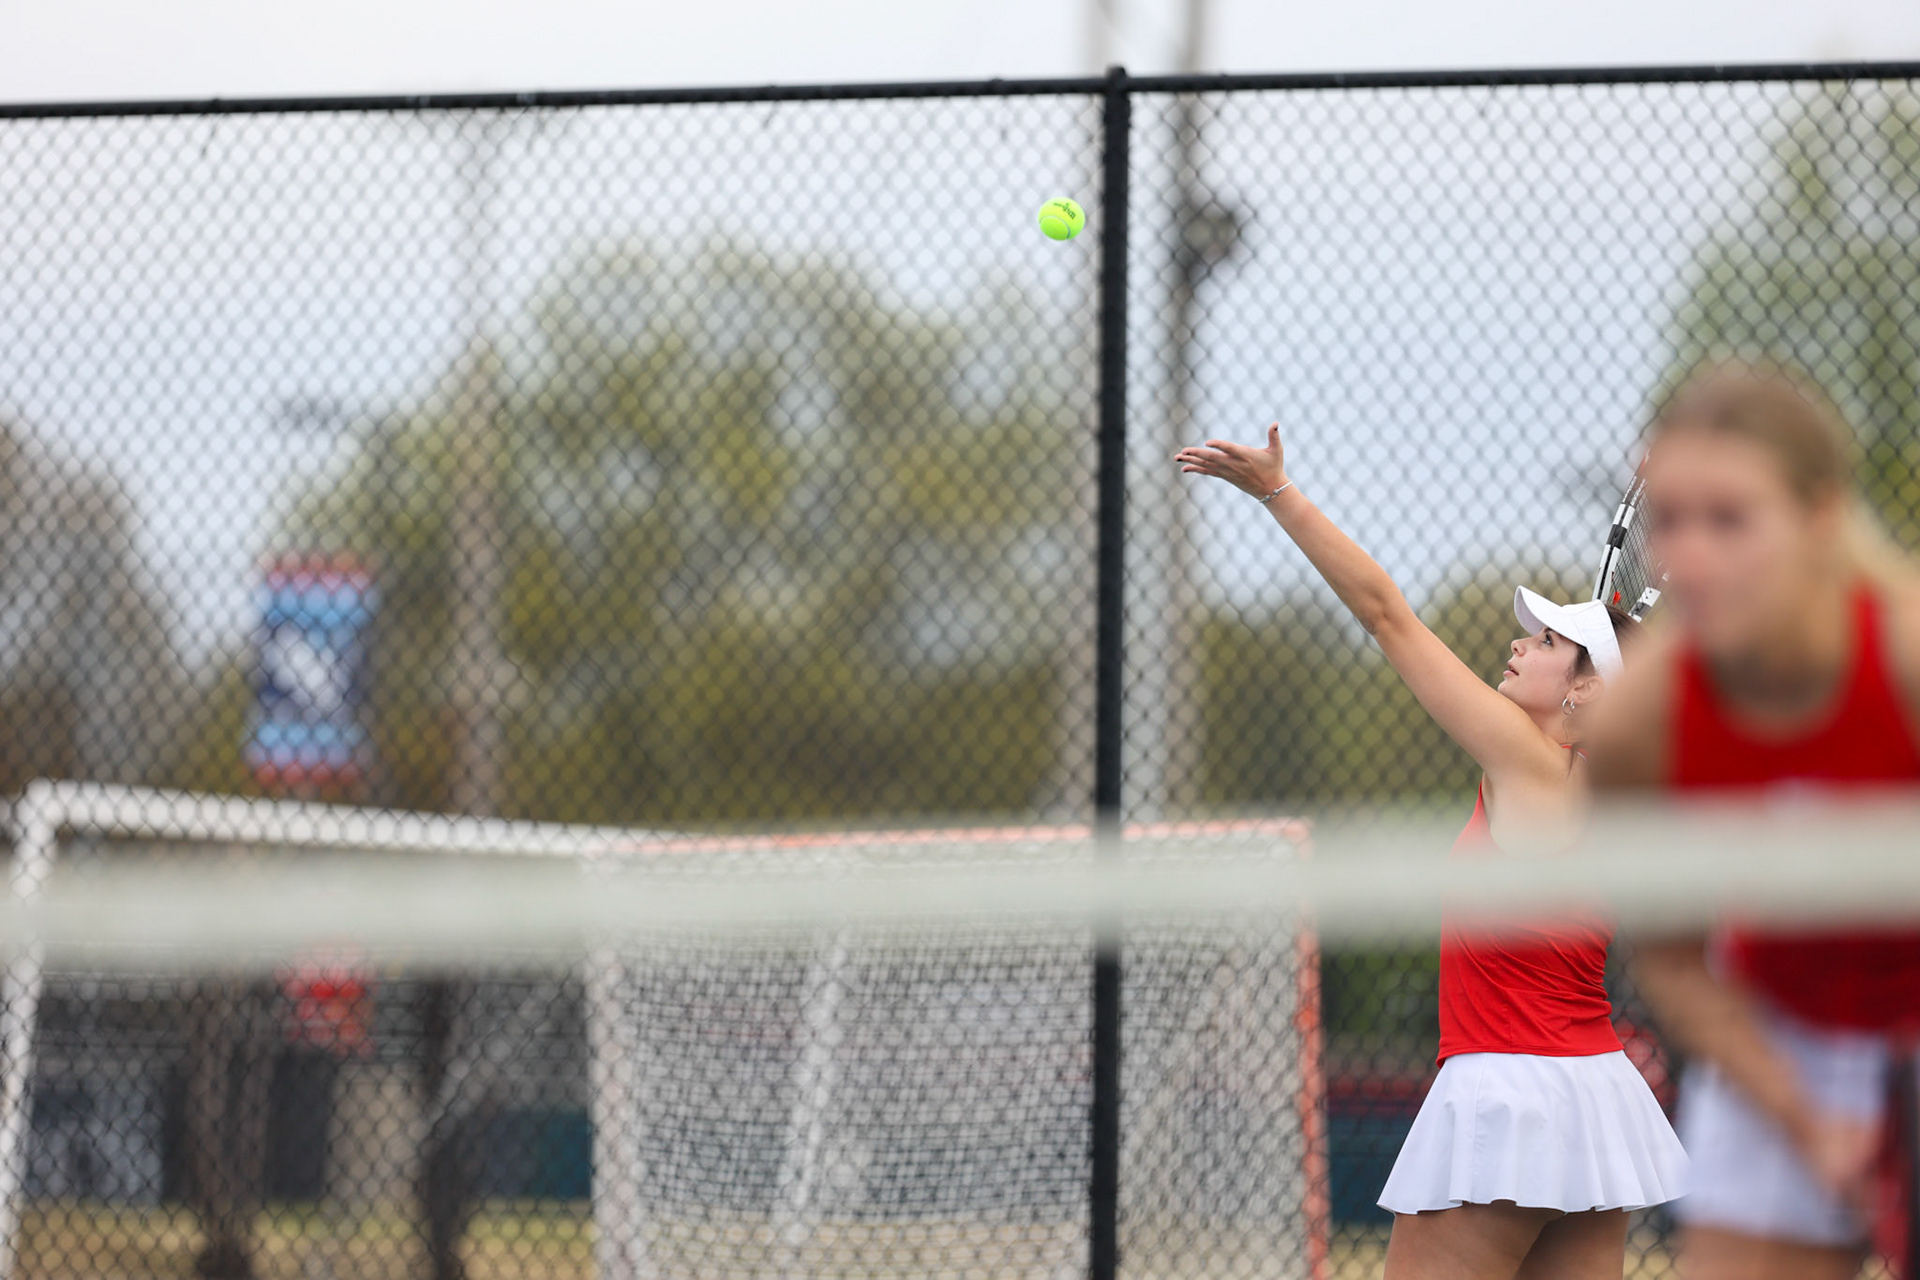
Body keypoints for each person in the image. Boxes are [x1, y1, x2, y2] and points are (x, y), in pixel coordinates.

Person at [1178, 425, 1685, 1280]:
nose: (1519, 644)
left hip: (1511, 1097)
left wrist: (1278, 494)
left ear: (1587, 692)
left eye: (1550, 643)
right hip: (1592, 1097)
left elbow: (1386, 613)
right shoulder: (1610, 787)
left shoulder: (1533, 765)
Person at [1587, 362, 1920, 1280]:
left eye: (1729, 519)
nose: (1687, 557)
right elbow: (1670, 957)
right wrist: (1811, 1122)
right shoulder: (1637, 724)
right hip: (1774, 1039)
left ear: (1819, 519)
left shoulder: (1905, 659)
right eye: (1670, 521)